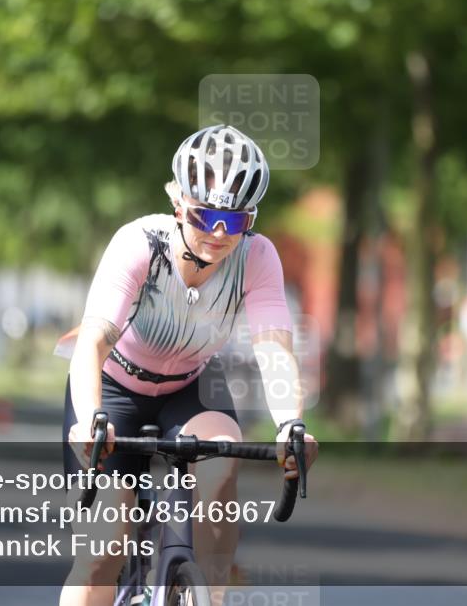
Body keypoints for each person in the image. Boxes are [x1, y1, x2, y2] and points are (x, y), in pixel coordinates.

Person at [57, 124, 318, 606]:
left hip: (190, 385)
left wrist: (290, 425)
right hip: (113, 386)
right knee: (102, 551)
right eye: (205, 216)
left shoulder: (258, 257)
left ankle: (209, 597)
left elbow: (274, 350)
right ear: (178, 202)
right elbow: (92, 342)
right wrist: (90, 420)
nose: (219, 233)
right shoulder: (139, 243)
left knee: (221, 472)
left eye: (235, 221)